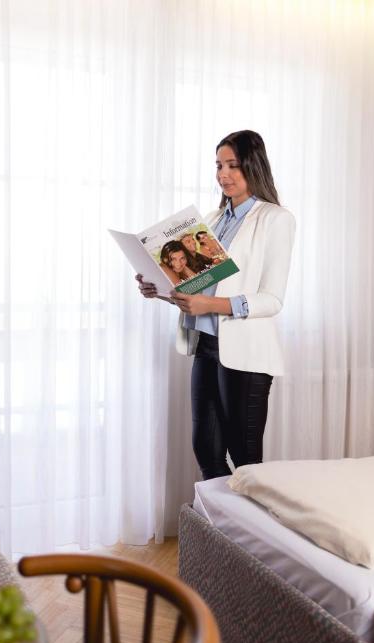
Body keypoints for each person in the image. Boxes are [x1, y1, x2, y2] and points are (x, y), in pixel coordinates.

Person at [136, 130, 295, 480]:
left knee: (245, 459)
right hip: (207, 347)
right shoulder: (213, 219)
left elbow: (272, 300)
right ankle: (220, 535)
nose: (223, 174)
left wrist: (210, 303)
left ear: (253, 166)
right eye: (219, 165)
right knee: (206, 451)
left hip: (247, 355)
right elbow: (196, 288)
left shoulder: (275, 219)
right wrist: (160, 288)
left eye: (233, 165)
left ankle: (251, 535)